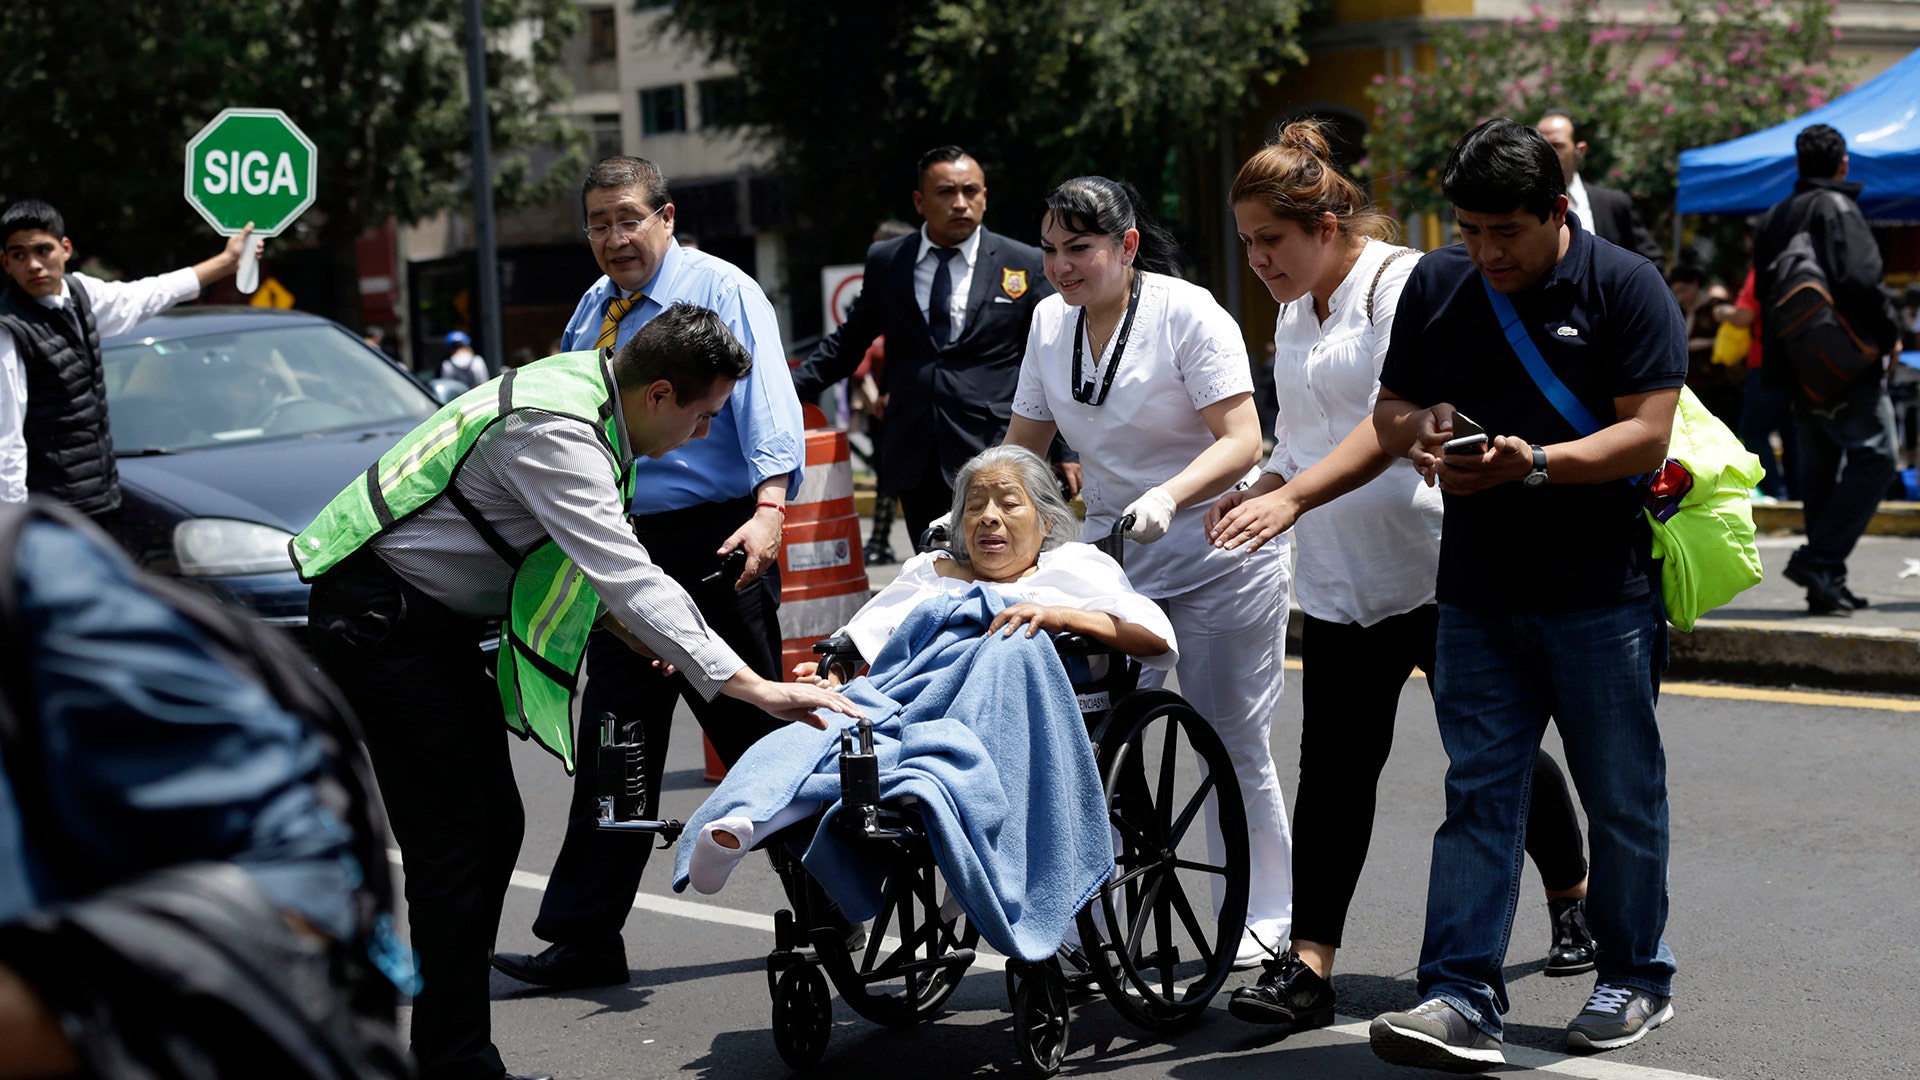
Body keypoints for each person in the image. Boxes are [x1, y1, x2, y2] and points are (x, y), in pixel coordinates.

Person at [297, 304, 858, 1080]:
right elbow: (628, 576)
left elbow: (592, 573)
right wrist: (758, 688)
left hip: (421, 624)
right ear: (659, 393)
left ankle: (451, 1053)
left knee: (490, 828)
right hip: (381, 625)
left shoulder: (587, 398)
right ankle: (452, 1062)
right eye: (702, 417)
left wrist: (644, 638)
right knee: (457, 845)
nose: (701, 437)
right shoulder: (556, 431)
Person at [1205, 121, 1597, 1039]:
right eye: (1250, 243)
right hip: (1341, 579)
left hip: (1437, 568)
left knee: (1491, 753)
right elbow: (1301, 437)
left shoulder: (1403, 284)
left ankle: (1573, 892)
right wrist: (1259, 487)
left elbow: (1392, 424)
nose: (1261, 259)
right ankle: (1308, 966)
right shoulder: (1295, 313)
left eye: (1275, 239)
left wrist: (1292, 495)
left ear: (1332, 220)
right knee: (1335, 770)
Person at [1356, 119, 1684, 1069]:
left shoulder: (1626, 285)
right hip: (1476, 595)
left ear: (1555, 212)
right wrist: (1422, 434)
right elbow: (1389, 410)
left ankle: (1634, 976)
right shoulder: (1438, 284)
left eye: (1507, 231)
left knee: (1621, 796)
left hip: (1602, 593)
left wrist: (1531, 463)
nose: (1487, 251)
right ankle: (1458, 996)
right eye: (1469, 230)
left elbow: (1646, 434)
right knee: (1479, 796)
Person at [488, 155, 813, 995]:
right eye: (597, 223)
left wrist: (771, 511)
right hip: (622, 546)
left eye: (628, 218)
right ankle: (584, 935)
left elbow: (770, 404)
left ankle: (831, 910)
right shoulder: (594, 311)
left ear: (666, 215)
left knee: (756, 736)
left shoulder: (724, 290)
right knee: (615, 745)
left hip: (718, 543)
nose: (613, 238)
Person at [669, 445, 1175, 963]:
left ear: (1046, 521)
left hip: (1013, 710)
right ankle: (746, 820)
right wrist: (835, 674)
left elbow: (1153, 637)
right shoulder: (935, 571)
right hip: (906, 700)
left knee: (1009, 646)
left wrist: (1059, 616)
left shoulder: (1074, 566)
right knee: (820, 721)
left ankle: (929, 781)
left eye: (1007, 503)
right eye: (974, 506)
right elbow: (868, 633)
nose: (988, 518)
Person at [0, 499, 406, 1080]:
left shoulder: (39, 576)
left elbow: (303, 880)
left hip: (403, 631)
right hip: (390, 626)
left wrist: (35, 1017)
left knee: (474, 837)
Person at [1002, 176, 1291, 970]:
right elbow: (1024, 443)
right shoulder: (1048, 323)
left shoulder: (1187, 312)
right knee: (1093, 742)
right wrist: (976, 506)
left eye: (1080, 249)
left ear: (1126, 247)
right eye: (1051, 250)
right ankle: (1082, 911)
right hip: (1114, 559)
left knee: (1230, 742)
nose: (1062, 267)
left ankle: (1264, 913)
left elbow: (1242, 440)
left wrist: (1169, 495)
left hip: (1217, 549)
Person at [789, 146, 1070, 540]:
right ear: (920, 202)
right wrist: (783, 394)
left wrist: (1066, 450)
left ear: (984, 197)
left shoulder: (1020, 262)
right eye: (945, 192)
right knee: (933, 573)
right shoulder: (888, 261)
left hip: (996, 447)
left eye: (971, 191)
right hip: (914, 449)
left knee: (1002, 571)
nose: (960, 203)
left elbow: (1051, 359)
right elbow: (847, 344)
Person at [0, 199, 260, 514]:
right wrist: (11, 524)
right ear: (6, 263)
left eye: (43, 250)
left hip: (98, 495)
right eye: (19, 255)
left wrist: (226, 262)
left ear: (65, 248)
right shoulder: (8, 330)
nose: (34, 264)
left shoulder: (80, 293)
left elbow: (147, 295)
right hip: (47, 509)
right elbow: (6, 440)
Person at [1753, 123, 1904, 615]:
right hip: (1844, 363)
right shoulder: (1839, 207)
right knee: (1877, 457)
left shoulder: (1774, 216)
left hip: (1794, 368)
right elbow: (1862, 279)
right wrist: (1889, 335)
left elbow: (1761, 296)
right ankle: (1820, 560)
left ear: (1799, 165)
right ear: (1843, 164)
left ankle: (1826, 582)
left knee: (1817, 472)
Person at [1535, 111, 1666, 272]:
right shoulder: (1524, 205)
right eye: (1541, 146)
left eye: (1557, 146)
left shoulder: (1612, 204)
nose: (1547, 154)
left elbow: (1652, 261)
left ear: (1580, 150)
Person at [1717, 266, 1798, 501]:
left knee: (1752, 433)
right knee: (1791, 433)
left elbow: (1744, 316)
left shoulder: (1762, 270)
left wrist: (1721, 311)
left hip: (1764, 363)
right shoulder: (1795, 268)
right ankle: (1796, 494)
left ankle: (1775, 493)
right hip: (1796, 364)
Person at [1670, 265, 1743, 428]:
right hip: (1692, 386)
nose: (1681, 296)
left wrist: (1706, 343)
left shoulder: (1716, 308)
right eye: (1677, 292)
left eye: (1683, 289)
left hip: (1720, 385)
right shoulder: (1681, 311)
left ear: (1696, 284)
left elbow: (1737, 339)